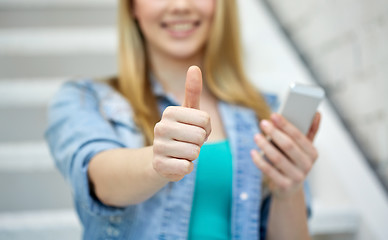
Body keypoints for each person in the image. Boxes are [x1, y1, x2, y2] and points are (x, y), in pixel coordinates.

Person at [45, 0, 321, 239]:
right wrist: (157, 163)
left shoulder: (264, 113)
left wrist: (288, 190)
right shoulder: (85, 100)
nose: (180, 6)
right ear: (132, 6)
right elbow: (98, 178)